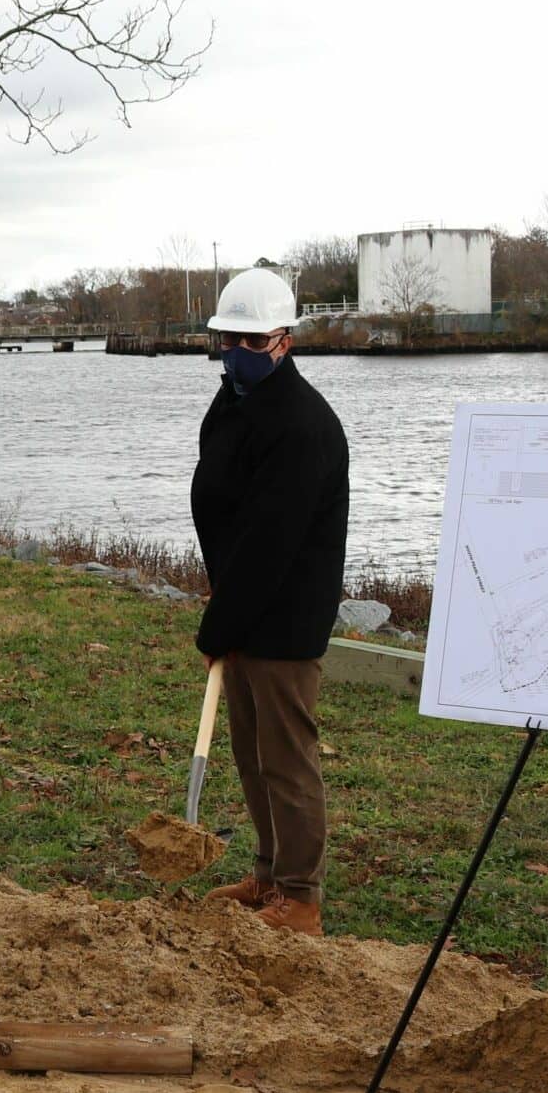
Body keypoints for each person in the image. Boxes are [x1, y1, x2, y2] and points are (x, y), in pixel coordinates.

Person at [190, 268, 350, 936]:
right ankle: (266, 872)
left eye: (251, 342)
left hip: (283, 615)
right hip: (242, 604)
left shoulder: (299, 425)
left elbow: (269, 542)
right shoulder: (233, 401)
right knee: (250, 753)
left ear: (283, 342)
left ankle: (300, 896)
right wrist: (225, 610)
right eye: (227, 339)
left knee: (285, 759)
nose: (235, 352)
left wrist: (219, 622)